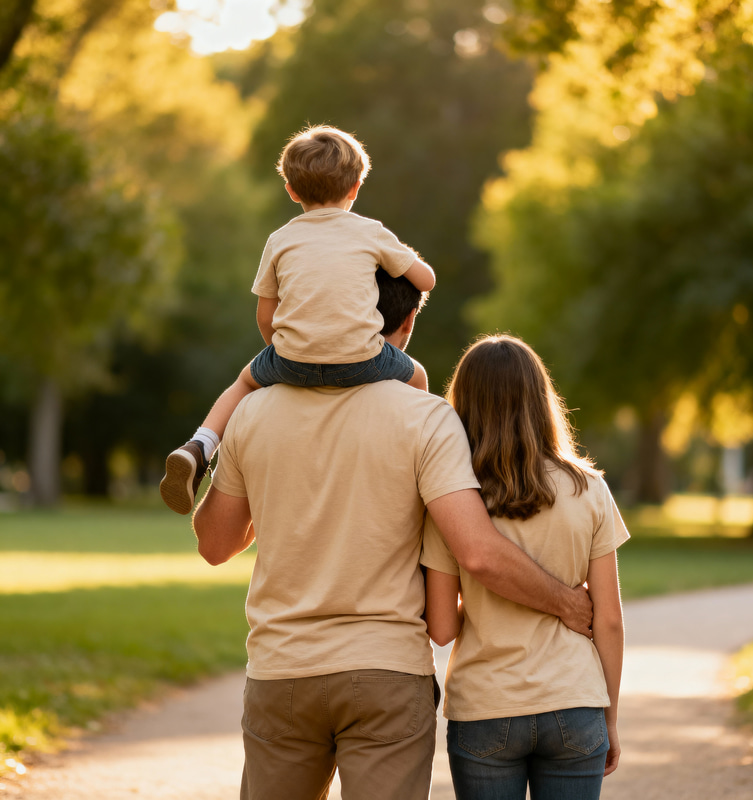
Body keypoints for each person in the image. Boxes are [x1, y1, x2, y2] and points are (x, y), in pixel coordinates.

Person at [191, 277, 594, 800]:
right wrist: (567, 602)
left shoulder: (253, 412)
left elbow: (214, 544)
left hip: (282, 669)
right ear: (406, 323)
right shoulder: (426, 418)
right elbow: (476, 550)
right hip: (386, 673)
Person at [160, 125, 436, 515]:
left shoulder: (280, 240)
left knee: (243, 382)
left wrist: (281, 349)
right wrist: (397, 253)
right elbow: (426, 280)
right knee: (418, 377)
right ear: (357, 186)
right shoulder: (371, 232)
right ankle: (424, 463)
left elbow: (266, 314)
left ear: (290, 189)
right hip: (362, 358)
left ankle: (199, 447)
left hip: (292, 360)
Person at [422, 334, 628, 800]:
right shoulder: (590, 490)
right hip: (575, 702)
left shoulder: (453, 502)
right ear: (540, 400)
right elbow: (609, 620)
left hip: (485, 707)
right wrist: (609, 716)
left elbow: (440, 627)